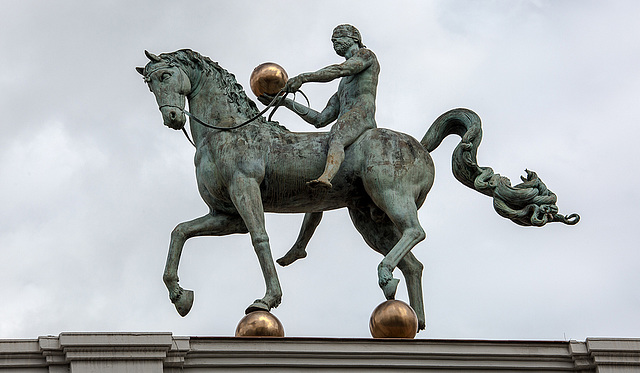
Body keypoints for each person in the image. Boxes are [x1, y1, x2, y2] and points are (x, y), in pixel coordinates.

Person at [261, 24, 380, 188]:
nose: (334, 42)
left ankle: (326, 177)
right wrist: (285, 102)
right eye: (333, 40)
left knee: (337, 134)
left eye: (338, 37)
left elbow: (339, 70)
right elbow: (320, 119)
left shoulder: (366, 55)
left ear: (354, 38)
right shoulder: (343, 87)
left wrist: (304, 77)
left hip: (361, 116)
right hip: (347, 118)